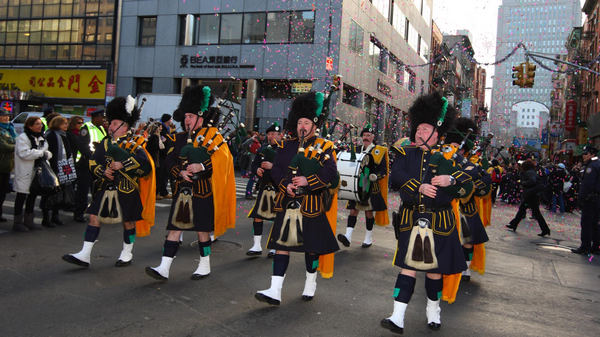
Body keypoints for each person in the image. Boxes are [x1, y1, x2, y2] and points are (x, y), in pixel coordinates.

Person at [382, 92, 468, 334]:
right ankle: (397, 317)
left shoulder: (451, 157)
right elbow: (397, 177)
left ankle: (433, 311)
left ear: (437, 131)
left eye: (425, 129)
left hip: (440, 222)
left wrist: (451, 179)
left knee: (434, 273)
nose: (419, 133)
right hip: (412, 219)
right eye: (417, 128)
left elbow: (469, 184)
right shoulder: (405, 152)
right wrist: (418, 186)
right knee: (406, 268)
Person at [255, 91, 339, 306]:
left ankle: (310, 283)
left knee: (311, 247)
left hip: (311, 205)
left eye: (306, 122)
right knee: (282, 245)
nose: (302, 125)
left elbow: (331, 174)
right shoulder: (285, 145)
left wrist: (308, 181)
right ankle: (275, 290)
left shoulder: (325, 146)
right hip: (287, 202)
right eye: (299, 121)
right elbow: (277, 171)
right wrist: (285, 186)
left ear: (314, 124)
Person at [145, 85, 236, 281]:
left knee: (202, 231)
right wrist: (180, 172)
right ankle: (164, 267)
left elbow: (223, 162)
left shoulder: (213, 137)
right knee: (175, 228)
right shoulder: (178, 138)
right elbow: (169, 160)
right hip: (183, 191)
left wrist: (202, 167)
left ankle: (204, 265)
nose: (187, 120)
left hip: (203, 192)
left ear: (200, 118)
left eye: (191, 117)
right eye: (185, 116)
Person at [62, 96, 155, 268]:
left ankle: (127, 253)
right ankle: (85, 254)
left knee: (128, 222)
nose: (109, 126)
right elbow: (92, 162)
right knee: (93, 217)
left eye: (113, 124)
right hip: (106, 188)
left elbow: (146, 167)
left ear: (124, 126)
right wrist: (102, 171)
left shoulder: (135, 145)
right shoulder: (105, 144)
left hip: (127, 189)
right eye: (110, 123)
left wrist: (123, 164)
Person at [444, 117, 490, 282]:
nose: (454, 149)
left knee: (467, 239)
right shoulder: (442, 157)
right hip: (444, 206)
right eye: (452, 146)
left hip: (466, 207)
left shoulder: (471, 163)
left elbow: (482, 180)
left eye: (457, 146)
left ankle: (466, 267)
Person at [337, 123, 389, 248]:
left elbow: (384, 171)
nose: (366, 137)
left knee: (368, 213)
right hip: (356, 186)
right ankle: (348, 236)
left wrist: (376, 176)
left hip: (370, 186)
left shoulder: (379, 151)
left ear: (372, 137)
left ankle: (368, 238)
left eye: (369, 135)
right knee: (353, 211)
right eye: (364, 135)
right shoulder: (356, 149)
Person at [246, 122, 282, 257]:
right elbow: (254, 164)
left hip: (277, 188)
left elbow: (288, 169)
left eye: (275, 134)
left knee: (277, 218)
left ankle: (274, 246)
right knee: (257, 217)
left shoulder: (284, 150)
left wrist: (273, 166)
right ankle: (256, 245)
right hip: (264, 187)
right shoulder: (262, 149)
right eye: (270, 134)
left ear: (280, 135)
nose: (272, 136)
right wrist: (257, 170)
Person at [13, 116, 52, 232]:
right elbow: (24, 153)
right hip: (24, 171)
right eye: (36, 124)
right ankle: (17, 222)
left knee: (32, 196)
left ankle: (29, 221)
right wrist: (41, 153)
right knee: (21, 197)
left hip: (37, 171)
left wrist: (45, 154)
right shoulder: (23, 138)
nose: (40, 126)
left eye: (40, 124)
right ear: (30, 126)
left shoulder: (41, 138)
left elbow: (47, 152)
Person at [41, 116, 76, 227]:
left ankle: (55, 216)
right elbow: (51, 153)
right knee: (49, 194)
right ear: (57, 124)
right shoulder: (51, 135)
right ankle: (46, 218)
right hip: (53, 168)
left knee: (59, 193)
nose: (66, 125)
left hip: (63, 168)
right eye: (63, 123)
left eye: (66, 123)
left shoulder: (63, 135)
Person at [73, 110, 106, 222]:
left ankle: (95, 211)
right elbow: (83, 146)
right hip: (85, 164)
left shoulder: (101, 128)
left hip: (97, 164)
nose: (103, 119)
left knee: (97, 189)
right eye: (102, 117)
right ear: (96, 117)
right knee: (83, 190)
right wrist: (94, 156)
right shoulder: (86, 128)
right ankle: (79, 213)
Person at [506, 159, 551, 237]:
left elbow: (532, 181)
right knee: (523, 210)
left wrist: (523, 183)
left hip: (531, 195)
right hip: (531, 195)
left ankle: (545, 229)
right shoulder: (531, 172)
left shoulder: (529, 172)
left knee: (533, 212)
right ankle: (514, 224)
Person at [571, 145, 600, 255]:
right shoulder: (596, 164)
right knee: (595, 223)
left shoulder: (591, 166)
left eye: (586, 153)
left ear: (592, 154)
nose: (583, 156)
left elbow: (587, 185)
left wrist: (581, 199)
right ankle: (596, 246)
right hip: (596, 199)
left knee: (587, 223)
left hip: (590, 199)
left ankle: (585, 246)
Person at [0, 108, 16, 222]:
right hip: (1, 165)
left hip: (7, 166)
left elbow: (15, 141)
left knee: (3, 192)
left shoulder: (10, 129)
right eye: (3, 116)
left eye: (8, 116)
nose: (6, 118)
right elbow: (3, 146)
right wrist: (16, 147)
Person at [157, 113, 175, 199]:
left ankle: (164, 192)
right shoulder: (162, 129)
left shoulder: (167, 128)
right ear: (168, 120)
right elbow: (165, 140)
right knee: (160, 175)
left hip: (166, 155)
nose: (172, 121)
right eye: (171, 119)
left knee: (165, 175)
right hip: (161, 155)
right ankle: (157, 192)